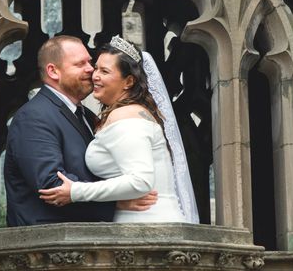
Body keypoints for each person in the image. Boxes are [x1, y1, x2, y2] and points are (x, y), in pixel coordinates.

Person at [39, 36, 199, 223]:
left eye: (104, 71)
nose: (94, 75)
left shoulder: (126, 115)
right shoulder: (126, 113)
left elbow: (140, 181)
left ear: (129, 82)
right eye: (96, 67)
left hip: (146, 224)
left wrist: (76, 191)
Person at [4, 35, 157, 226]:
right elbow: (52, 185)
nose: (91, 70)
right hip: (49, 244)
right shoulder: (34, 117)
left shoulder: (86, 115)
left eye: (90, 62)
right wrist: (118, 203)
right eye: (80, 64)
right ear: (53, 71)